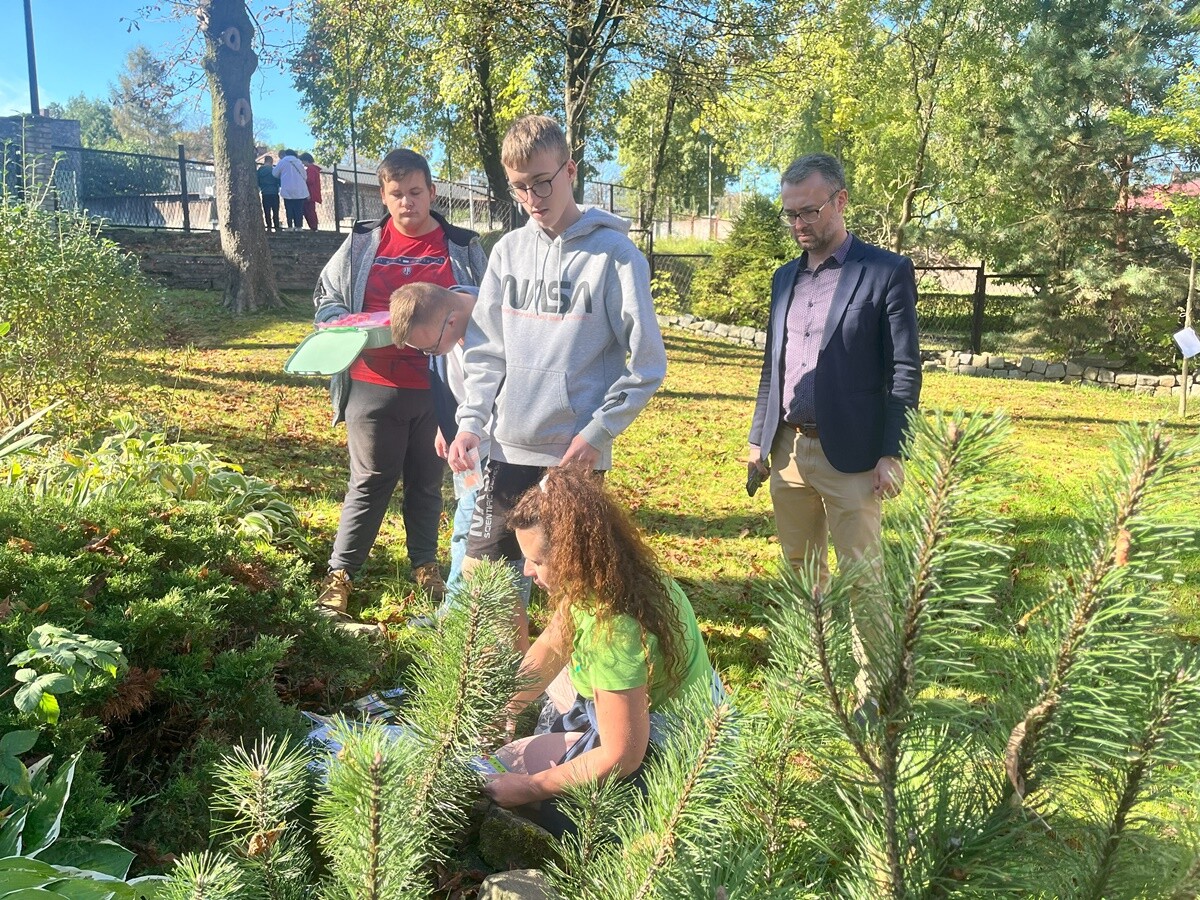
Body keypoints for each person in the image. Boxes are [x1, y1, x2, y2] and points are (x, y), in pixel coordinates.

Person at [446, 114, 667, 652]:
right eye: (520, 187)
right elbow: (487, 349)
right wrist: (471, 421)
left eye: (543, 182)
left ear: (570, 170)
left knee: (568, 591)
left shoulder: (616, 258)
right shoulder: (507, 252)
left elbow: (648, 365)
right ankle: (503, 699)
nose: (532, 197)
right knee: (486, 583)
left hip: (574, 460)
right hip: (506, 447)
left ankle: (563, 704)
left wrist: (597, 435)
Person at [747, 152, 921, 706]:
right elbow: (771, 366)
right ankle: (809, 679)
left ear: (840, 200)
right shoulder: (783, 279)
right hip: (788, 452)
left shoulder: (885, 272)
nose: (799, 225)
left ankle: (875, 694)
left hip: (854, 459)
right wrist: (759, 439)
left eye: (810, 211)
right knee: (800, 575)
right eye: (790, 215)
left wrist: (894, 452)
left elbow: (904, 369)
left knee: (863, 580)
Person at [481, 465, 720, 838]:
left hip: (679, 749)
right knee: (514, 755)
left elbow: (621, 756)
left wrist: (530, 788)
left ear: (573, 554)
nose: (528, 571)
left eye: (538, 561)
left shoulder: (616, 632)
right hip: (653, 707)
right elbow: (551, 645)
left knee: (519, 775)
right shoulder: (610, 574)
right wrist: (504, 707)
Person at [313, 149, 488, 625]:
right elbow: (327, 298)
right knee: (371, 480)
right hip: (373, 384)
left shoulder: (463, 246)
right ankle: (341, 574)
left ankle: (425, 566)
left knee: (429, 482)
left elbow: (489, 310)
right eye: (397, 194)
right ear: (384, 197)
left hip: (440, 388)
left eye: (416, 192)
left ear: (433, 192)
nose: (407, 202)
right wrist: (337, 323)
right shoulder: (361, 245)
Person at [273, 149, 309, 231]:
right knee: (298, 209)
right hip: (299, 189)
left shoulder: (282, 162)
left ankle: (290, 226)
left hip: (287, 188)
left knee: (289, 208)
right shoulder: (299, 162)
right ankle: (299, 226)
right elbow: (305, 176)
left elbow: (274, 173)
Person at [256, 155, 281, 232]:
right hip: (274, 192)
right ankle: (277, 227)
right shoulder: (274, 170)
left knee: (267, 211)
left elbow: (257, 182)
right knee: (275, 211)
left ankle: (269, 227)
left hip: (265, 193)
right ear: (271, 161)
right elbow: (279, 182)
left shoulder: (259, 171)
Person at [300, 152, 322, 231]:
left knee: (309, 210)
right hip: (313, 193)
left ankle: (313, 226)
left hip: (310, 193)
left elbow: (310, 180)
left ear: (306, 160)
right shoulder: (314, 169)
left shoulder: (311, 169)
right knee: (309, 210)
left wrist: (302, 179)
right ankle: (313, 226)